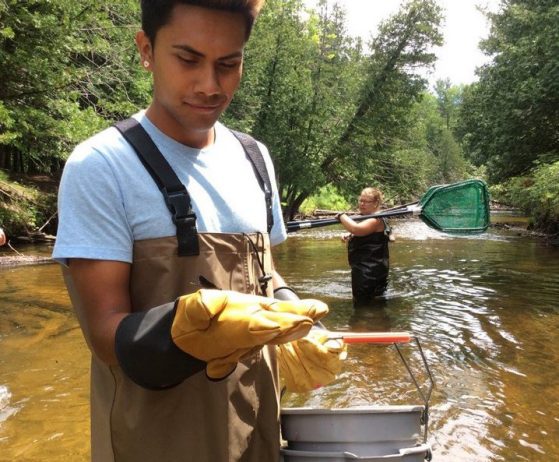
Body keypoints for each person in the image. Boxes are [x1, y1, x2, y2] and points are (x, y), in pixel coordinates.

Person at [52, 1, 344, 461]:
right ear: (146, 49)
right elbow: (104, 337)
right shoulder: (101, 166)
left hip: (257, 433)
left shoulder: (256, 159)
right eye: (187, 60)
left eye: (228, 64)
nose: (210, 86)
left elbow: (268, 276)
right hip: (154, 442)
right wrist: (184, 329)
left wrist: (297, 322)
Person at [337, 187, 393, 307]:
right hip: (374, 270)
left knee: (362, 305)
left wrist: (342, 216)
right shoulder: (375, 217)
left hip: (368, 273)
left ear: (376, 203)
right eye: (360, 200)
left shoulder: (375, 219)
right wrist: (350, 235)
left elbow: (356, 229)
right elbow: (361, 232)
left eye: (366, 201)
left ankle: (363, 323)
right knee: (374, 302)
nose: (362, 204)